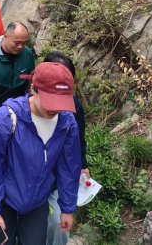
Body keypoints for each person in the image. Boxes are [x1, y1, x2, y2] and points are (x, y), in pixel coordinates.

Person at [0, 62, 81, 244]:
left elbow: (69, 167)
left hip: (38, 201)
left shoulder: (67, 123)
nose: (55, 109)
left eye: (61, 102)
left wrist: (67, 208)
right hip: (4, 200)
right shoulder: (4, 120)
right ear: (34, 89)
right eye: (50, 101)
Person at [43, 52, 89, 245]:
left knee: (58, 222)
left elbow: (79, 139)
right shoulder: (27, 106)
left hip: (60, 172)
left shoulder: (74, 105)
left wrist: (83, 164)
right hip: (34, 176)